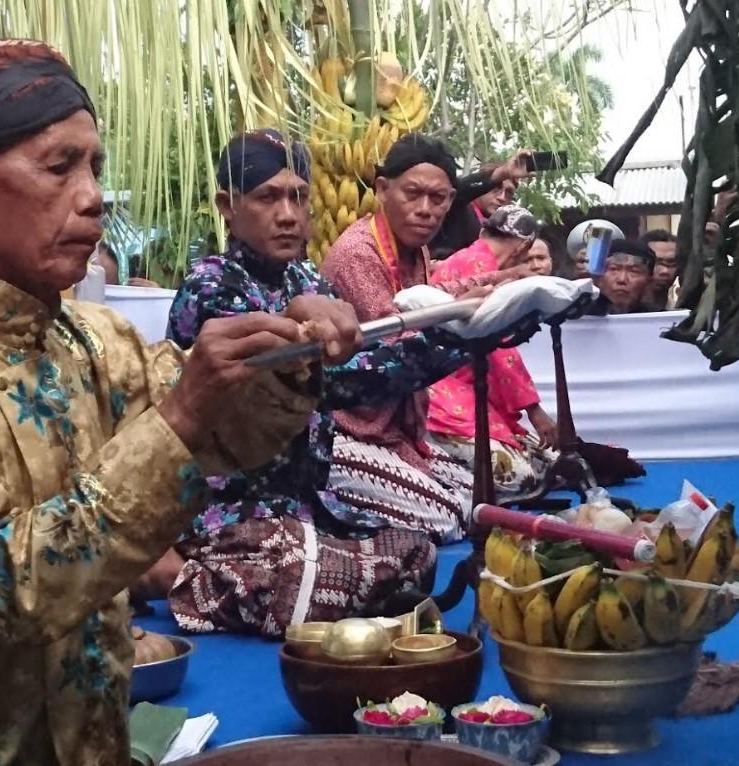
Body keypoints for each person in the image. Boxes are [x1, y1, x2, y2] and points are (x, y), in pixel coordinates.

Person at [0, 41, 361, 766]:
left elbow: (228, 442)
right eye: (59, 165)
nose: (94, 194)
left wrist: (289, 351)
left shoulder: (97, 338)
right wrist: (182, 418)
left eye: (94, 166)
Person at [156, 129, 478, 635]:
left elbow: (363, 360)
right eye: (268, 197)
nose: (288, 213)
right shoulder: (213, 288)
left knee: (414, 549)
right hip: (230, 517)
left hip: (305, 507)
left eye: (298, 196)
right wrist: (460, 341)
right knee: (301, 574)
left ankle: (315, 581)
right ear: (228, 205)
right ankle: (182, 576)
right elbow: (334, 384)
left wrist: (471, 325)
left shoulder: (306, 281)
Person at [321, 134, 507, 543]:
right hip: (348, 435)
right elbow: (399, 345)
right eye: (413, 194)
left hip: (398, 433)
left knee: (488, 496)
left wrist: (501, 281)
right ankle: (338, 518)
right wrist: (465, 325)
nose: (426, 210)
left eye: (438, 199)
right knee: (454, 517)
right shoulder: (358, 254)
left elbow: (427, 304)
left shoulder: (415, 249)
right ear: (382, 189)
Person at [426, 207, 559, 499]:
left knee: (551, 467)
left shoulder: (471, 259)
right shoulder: (483, 268)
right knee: (521, 480)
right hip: (441, 394)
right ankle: (437, 475)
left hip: (463, 390)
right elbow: (498, 350)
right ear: (524, 246)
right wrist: (534, 409)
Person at [431, 150, 533, 260]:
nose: (502, 197)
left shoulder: (504, 230)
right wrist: (501, 173)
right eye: (495, 189)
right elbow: (458, 190)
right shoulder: (458, 208)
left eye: (508, 193)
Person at [586, 238, 655, 315]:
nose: (622, 279)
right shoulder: (576, 316)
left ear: (649, 281)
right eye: (614, 269)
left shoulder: (662, 321)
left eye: (634, 271)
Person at [639, 229, 678, 310]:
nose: (665, 271)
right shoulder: (616, 314)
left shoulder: (682, 315)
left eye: (671, 263)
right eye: (657, 262)